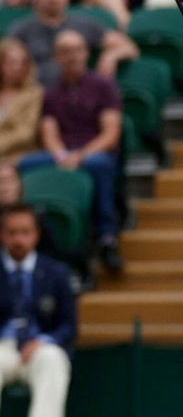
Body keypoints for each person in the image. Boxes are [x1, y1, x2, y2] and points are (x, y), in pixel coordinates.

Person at [20, 29, 124, 271]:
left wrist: (81, 155)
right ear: (56, 56)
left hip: (93, 153)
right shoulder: (51, 92)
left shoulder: (103, 85)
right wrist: (61, 155)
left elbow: (111, 133)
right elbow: (49, 131)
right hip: (61, 154)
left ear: (86, 53)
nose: (72, 56)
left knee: (100, 165)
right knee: (25, 166)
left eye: (77, 50)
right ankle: (34, 229)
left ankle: (106, 235)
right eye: (65, 52)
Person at [0, 203, 75, 417]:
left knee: (54, 358)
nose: (18, 239)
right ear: (2, 235)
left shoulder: (55, 272)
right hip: (2, 347)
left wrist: (44, 340)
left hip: (39, 345)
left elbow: (69, 326)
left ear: (36, 235)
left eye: (25, 232)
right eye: (12, 232)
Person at [9, 0, 138, 88]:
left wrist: (110, 57)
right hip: (36, 94)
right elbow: (7, 58)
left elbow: (128, 46)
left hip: (76, 94)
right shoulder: (22, 29)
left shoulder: (83, 24)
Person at [0, 39, 43, 165]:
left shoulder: (34, 94)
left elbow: (25, 134)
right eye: (12, 63)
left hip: (19, 156)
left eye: (23, 63)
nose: (18, 68)